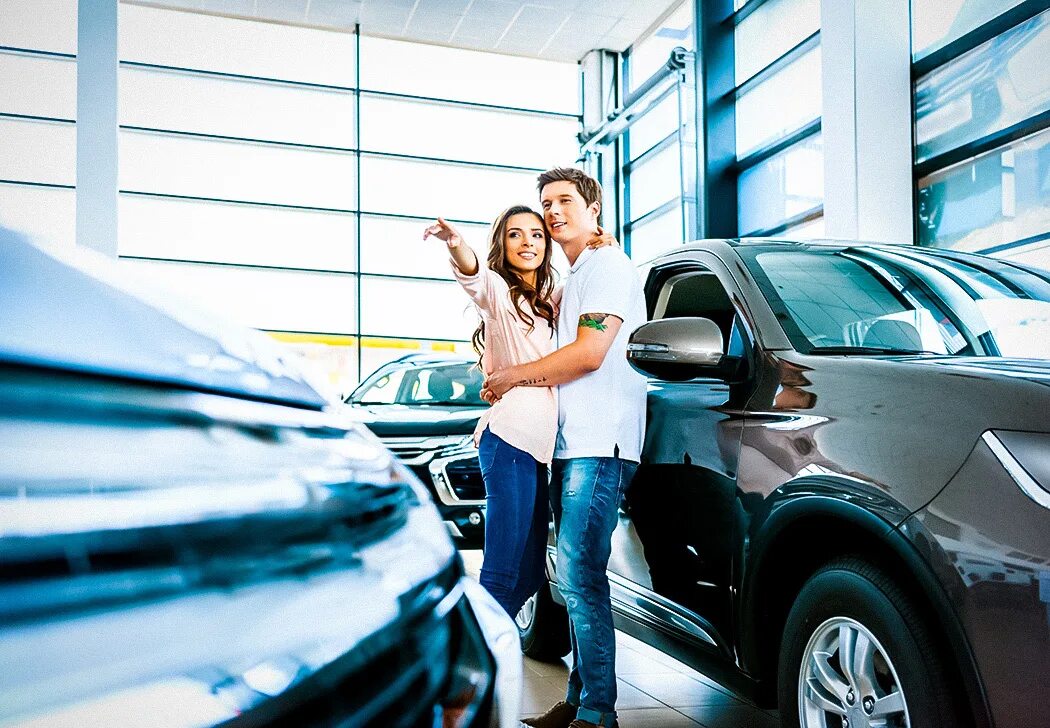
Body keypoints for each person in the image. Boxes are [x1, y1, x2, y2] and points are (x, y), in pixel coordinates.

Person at [481, 169, 647, 728]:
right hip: (570, 446)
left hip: (601, 444)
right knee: (572, 573)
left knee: (580, 571)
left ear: (593, 208)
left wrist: (511, 377)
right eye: (546, 203)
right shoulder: (579, 270)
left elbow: (589, 354)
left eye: (565, 202)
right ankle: (578, 700)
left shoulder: (607, 268)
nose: (552, 213)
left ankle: (598, 711)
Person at [423, 206, 613, 619]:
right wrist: (456, 244)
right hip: (509, 440)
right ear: (502, 245)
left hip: (535, 448)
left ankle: (475, 649)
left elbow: (587, 288)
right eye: (515, 235)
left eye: (536, 235)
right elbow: (473, 275)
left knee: (529, 575)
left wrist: (601, 244)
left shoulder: (551, 300)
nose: (528, 242)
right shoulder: (498, 292)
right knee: (503, 573)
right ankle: (469, 667)